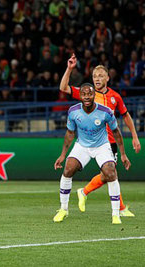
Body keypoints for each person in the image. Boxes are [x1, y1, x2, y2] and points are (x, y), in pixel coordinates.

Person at [59, 54, 140, 216]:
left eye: (101, 76)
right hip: (89, 142)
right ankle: (115, 206)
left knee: (109, 175)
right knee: (110, 175)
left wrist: (134, 135)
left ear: (108, 78)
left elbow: (125, 115)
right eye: (95, 76)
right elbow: (63, 88)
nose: (97, 78)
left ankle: (86, 193)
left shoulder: (115, 97)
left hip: (109, 142)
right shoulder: (86, 93)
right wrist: (69, 69)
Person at [53, 83, 130, 224]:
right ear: (80, 96)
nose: (87, 97)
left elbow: (116, 132)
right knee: (68, 169)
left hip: (102, 146)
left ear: (94, 95)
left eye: (90, 94)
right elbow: (70, 133)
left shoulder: (106, 112)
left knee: (111, 172)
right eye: (84, 94)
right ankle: (63, 209)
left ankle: (115, 214)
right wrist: (63, 155)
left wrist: (123, 154)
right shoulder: (73, 111)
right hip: (82, 146)